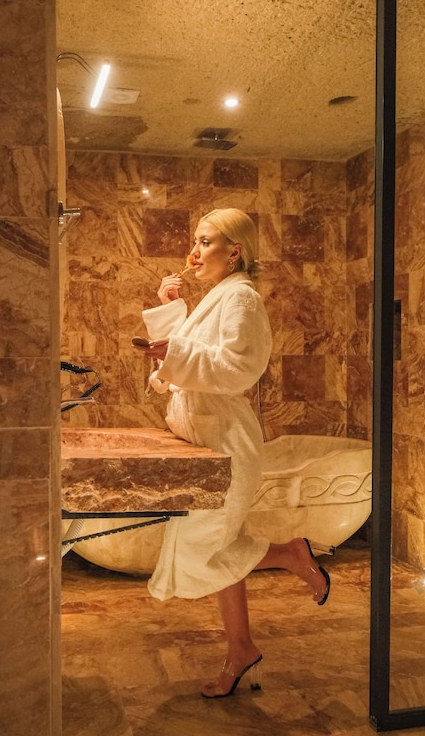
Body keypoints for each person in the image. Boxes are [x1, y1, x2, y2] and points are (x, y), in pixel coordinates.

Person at [137, 208, 330, 698]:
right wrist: (170, 312)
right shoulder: (218, 297)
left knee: (204, 551)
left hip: (227, 444)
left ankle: (289, 553)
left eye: (205, 242)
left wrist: (175, 353)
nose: (194, 252)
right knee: (222, 550)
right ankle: (240, 648)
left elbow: (240, 368)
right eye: (195, 242)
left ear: (235, 251)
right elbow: (183, 362)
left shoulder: (242, 298)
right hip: (206, 440)